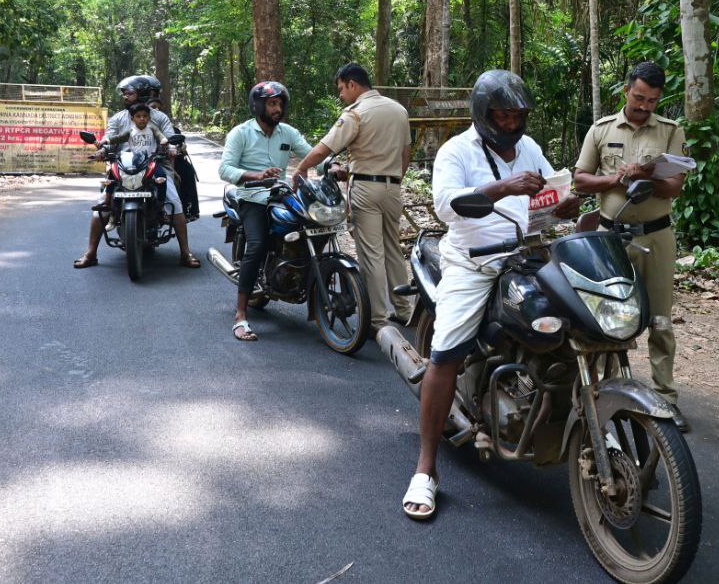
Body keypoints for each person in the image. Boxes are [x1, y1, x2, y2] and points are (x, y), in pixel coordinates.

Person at [401, 70, 580, 520]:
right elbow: (446, 203)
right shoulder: (456, 150)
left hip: (525, 252)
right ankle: (425, 469)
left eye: (519, 114)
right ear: (484, 114)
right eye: (503, 114)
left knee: (574, 322)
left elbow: (545, 196)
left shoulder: (529, 148)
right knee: (444, 354)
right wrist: (503, 187)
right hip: (472, 259)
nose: (512, 122)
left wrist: (564, 203)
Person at [573, 61, 690, 432]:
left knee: (659, 318)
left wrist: (647, 177)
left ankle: (665, 397)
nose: (645, 106)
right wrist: (618, 178)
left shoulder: (671, 131)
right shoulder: (601, 129)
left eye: (652, 100)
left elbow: (675, 186)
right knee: (606, 315)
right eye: (639, 98)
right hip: (610, 236)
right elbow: (581, 179)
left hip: (656, 236)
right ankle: (603, 392)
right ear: (627, 91)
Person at [293, 63, 413, 331]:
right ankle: (405, 310)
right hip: (393, 187)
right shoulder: (398, 110)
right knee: (393, 249)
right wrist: (392, 178)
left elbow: (325, 147)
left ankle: (377, 320)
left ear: (352, 84)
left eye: (341, 89)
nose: (341, 95)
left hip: (366, 190)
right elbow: (406, 153)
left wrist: (301, 168)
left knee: (371, 254)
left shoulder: (356, 113)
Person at [218, 81, 313, 342]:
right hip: (252, 196)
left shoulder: (288, 133)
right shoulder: (241, 133)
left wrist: (334, 163)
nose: (277, 108)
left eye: (280, 103)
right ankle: (240, 314)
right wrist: (255, 175)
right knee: (257, 245)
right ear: (258, 105)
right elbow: (225, 170)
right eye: (272, 103)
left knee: (312, 229)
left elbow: (312, 154)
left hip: (282, 196)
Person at [73, 102, 201, 269]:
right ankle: (90, 253)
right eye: (125, 93)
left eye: (131, 92)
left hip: (153, 164)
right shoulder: (120, 119)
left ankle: (185, 252)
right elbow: (111, 139)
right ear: (133, 116)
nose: (127, 95)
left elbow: (168, 138)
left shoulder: (159, 119)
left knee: (175, 203)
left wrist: (172, 148)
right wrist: (102, 149)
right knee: (101, 205)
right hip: (123, 166)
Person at [148, 94, 200, 221]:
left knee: (187, 169)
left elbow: (180, 145)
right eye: (153, 107)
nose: (156, 110)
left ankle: (187, 209)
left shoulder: (171, 128)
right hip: (146, 162)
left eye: (159, 108)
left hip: (168, 162)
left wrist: (179, 149)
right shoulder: (135, 127)